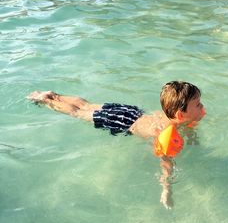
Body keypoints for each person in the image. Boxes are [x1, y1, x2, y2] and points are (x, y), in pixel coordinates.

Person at [27, 81, 205, 209]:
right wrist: (166, 190)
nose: (202, 106)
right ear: (181, 115)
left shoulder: (167, 115)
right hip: (123, 123)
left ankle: (53, 95)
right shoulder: (166, 137)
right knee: (77, 112)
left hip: (131, 112)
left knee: (85, 105)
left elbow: (184, 127)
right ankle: (46, 100)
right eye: (197, 104)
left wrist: (191, 135)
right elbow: (166, 164)